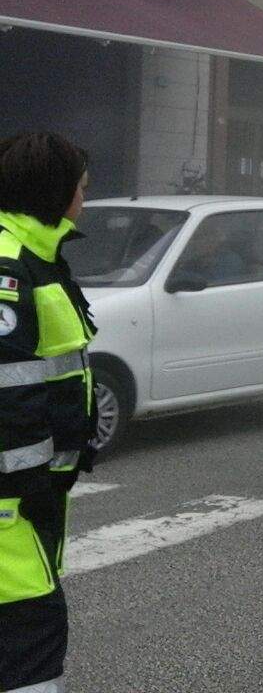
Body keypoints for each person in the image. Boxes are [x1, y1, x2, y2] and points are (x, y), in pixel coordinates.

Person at [0, 132, 97, 693]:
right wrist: (28, 484)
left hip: (29, 492)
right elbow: (6, 390)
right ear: (55, 192)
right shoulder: (10, 265)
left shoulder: (36, 255)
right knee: (30, 637)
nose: (84, 199)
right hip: (10, 498)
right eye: (80, 188)